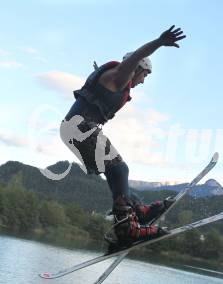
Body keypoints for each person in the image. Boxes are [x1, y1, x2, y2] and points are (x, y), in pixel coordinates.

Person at [61, 25, 186, 247]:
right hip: (79, 128)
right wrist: (159, 42)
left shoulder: (118, 81)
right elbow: (138, 55)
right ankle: (127, 228)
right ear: (136, 69)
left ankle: (137, 211)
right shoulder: (119, 76)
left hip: (76, 129)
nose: (143, 81)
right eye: (144, 74)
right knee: (120, 169)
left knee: (118, 176)